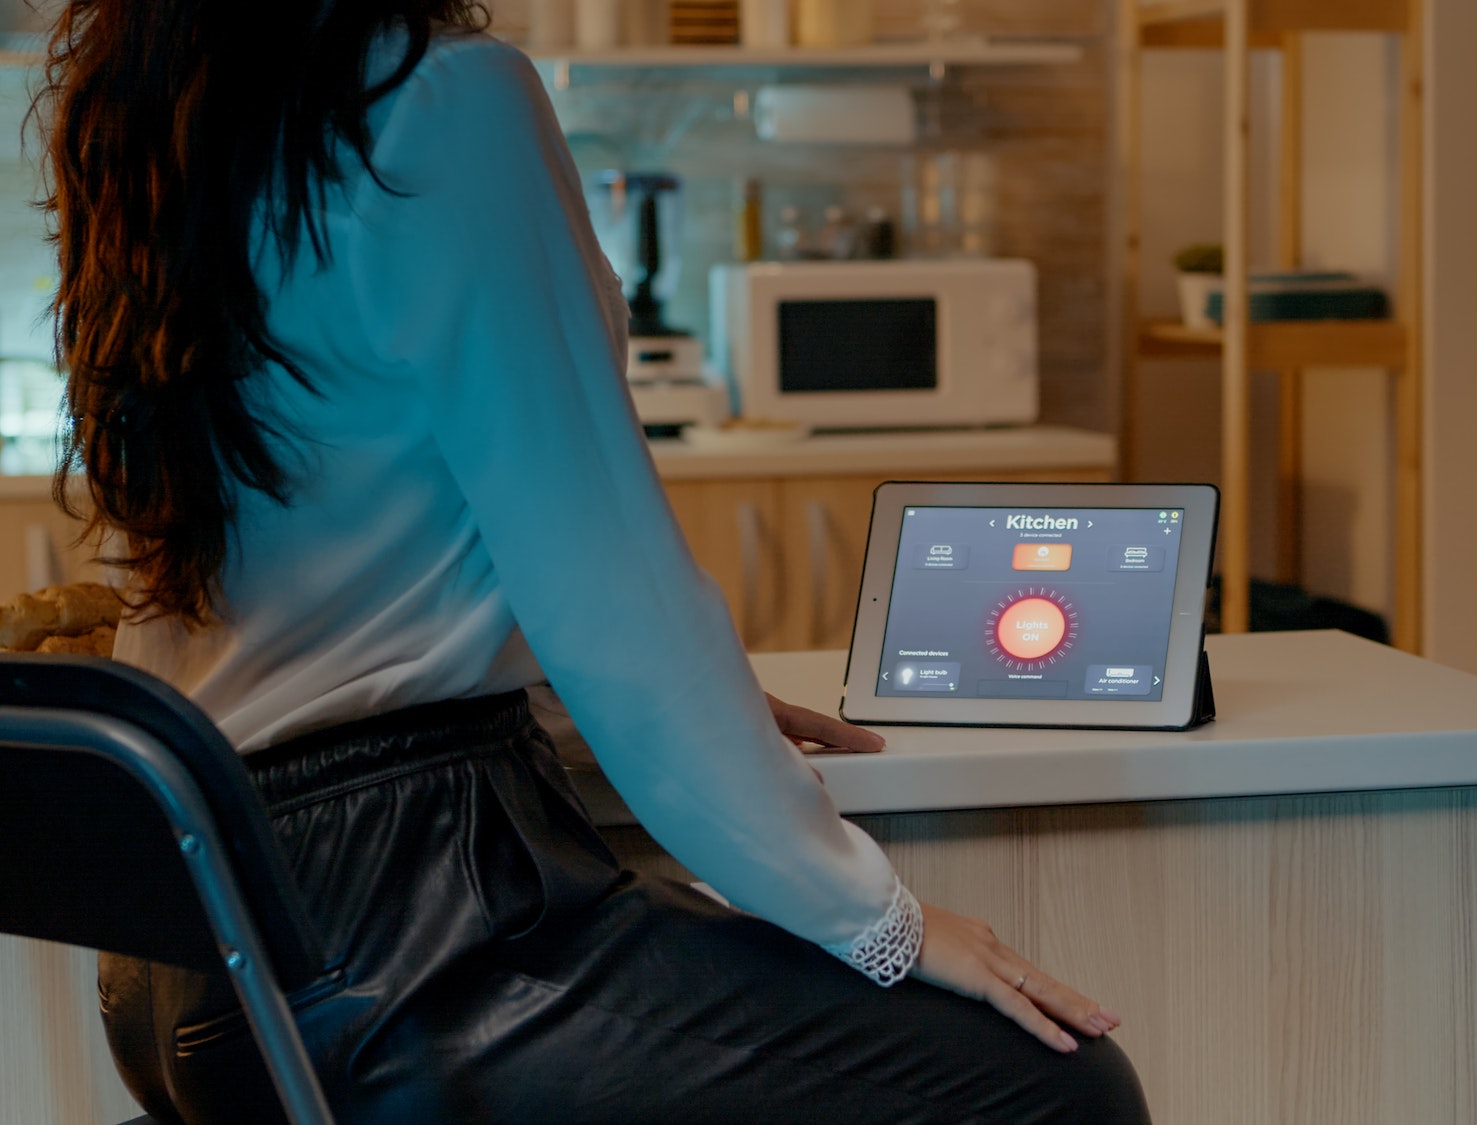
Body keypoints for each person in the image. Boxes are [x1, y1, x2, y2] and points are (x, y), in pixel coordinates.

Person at [41, 1, 1150, 1121]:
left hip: (191, 935)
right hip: (413, 932)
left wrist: (701, 706)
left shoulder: (160, 114)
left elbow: (313, 578)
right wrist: (879, 919)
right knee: (1056, 1093)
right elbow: (606, 580)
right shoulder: (439, 100)